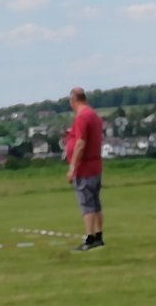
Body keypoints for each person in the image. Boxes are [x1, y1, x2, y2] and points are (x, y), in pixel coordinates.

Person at [64, 87, 104, 251]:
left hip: (85, 168)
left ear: (73, 101)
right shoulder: (94, 115)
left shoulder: (82, 117)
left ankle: (89, 238)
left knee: (86, 203)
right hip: (95, 165)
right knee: (95, 202)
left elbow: (80, 143)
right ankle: (98, 235)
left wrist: (72, 167)